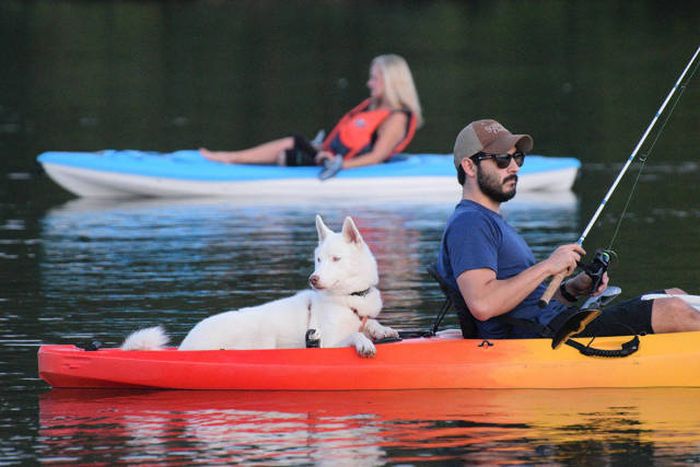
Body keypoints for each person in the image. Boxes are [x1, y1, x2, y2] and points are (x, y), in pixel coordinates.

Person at [437, 119, 700, 342]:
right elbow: (483, 305)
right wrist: (548, 266)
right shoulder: (470, 223)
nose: (514, 166)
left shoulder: (490, 221)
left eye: (517, 157)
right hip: (542, 340)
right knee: (674, 310)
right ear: (469, 166)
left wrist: (573, 288)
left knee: (676, 296)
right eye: (502, 159)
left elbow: (530, 305)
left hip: (552, 326)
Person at [200, 54, 423, 173]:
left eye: (375, 78)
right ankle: (232, 158)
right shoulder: (372, 107)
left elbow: (376, 157)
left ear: (392, 82)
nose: (369, 83)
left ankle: (230, 158)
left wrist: (340, 165)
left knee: (288, 149)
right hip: (329, 157)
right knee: (291, 147)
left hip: (341, 165)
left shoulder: (396, 118)